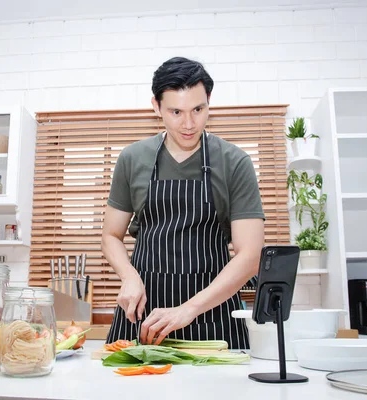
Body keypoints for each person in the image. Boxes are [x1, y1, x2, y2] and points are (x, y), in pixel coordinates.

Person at [102, 57, 265, 349]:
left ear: (209, 102)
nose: (189, 124)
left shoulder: (234, 162)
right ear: (156, 106)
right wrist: (129, 277)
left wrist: (189, 309)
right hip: (143, 315)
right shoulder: (132, 159)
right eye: (176, 111)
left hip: (213, 318)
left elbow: (250, 255)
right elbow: (111, 236)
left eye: (198, 110)